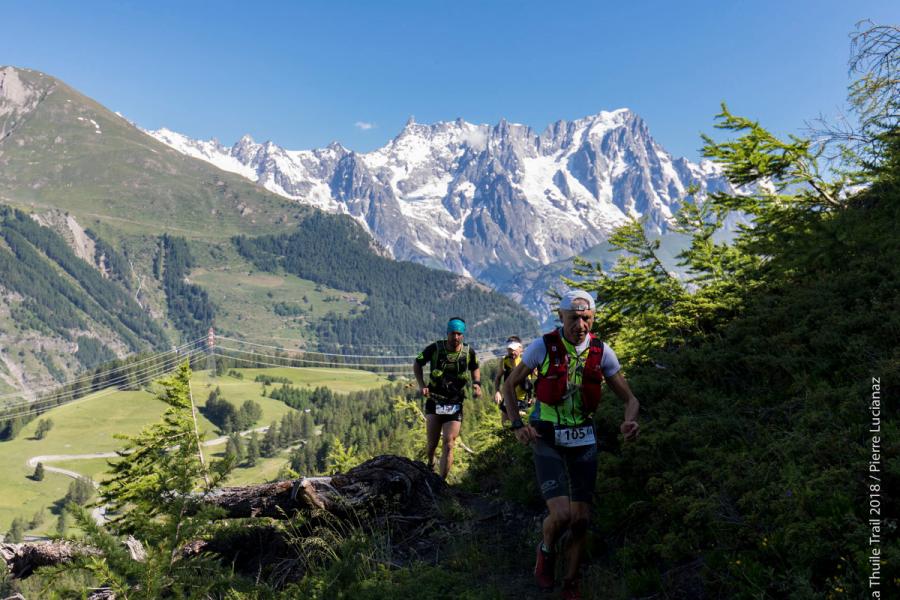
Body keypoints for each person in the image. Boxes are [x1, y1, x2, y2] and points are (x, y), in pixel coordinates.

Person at [502, 290, 639, 599]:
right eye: (574, 318)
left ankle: (571, 583)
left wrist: (630, 420)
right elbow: (509, 385)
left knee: (581, 520)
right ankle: (546, 550)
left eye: (586, 318)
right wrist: (517, 425)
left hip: (583, 436)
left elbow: (630, 399)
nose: (581, 324)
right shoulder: (543, 347)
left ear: (593, 319)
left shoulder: (602, 352)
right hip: (546, 434)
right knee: (562, 515)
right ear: (561, 317)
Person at [413, 317, 481, 479]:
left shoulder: (468, 352)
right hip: (435, 400)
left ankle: (441, 481)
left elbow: (475, 368)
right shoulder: (435, 348)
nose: (455, 337)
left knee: (449, 443)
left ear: (463, 335)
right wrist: (422, 385)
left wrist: (477, 383)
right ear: (447, 333)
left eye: (459, 334)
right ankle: (431, 462)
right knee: (432, 445)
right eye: (452, 334)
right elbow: (417, 363)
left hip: (455, 402)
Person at [493, 336, 533, 423]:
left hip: (523, 401)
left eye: (514, 349)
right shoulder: (505, 361)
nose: (512, 352)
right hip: (508, 398)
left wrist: (534, 397)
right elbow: (498, 377)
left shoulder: (527, 361)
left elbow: (536, 381)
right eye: (510, 349)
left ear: (520, 349)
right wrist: (497, 391)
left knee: (522, 427)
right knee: (505, 426)